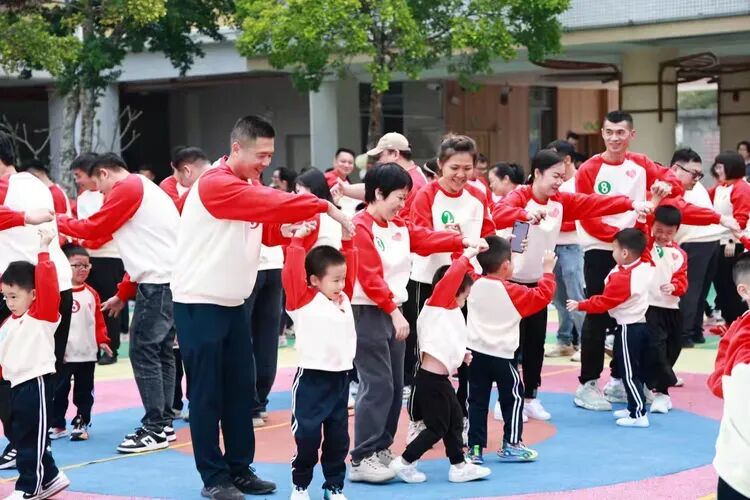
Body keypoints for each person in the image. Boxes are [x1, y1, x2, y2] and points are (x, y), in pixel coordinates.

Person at [171, 115, 352, 500]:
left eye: (271, 155)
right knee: (206, 394)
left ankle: (240, 468)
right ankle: (214, 477)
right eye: (261, 155)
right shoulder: (215, 182)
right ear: (237, 148)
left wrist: (285, 231)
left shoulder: (247, 184)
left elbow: (262, 225)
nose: (266, 163)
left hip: (234, 301)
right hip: (199, 302)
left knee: (241, 391)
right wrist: (322, 205)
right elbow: (270, 203)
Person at [492, 149, 651, 420]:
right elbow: (498, 214)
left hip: (539, 283)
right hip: (512, 283)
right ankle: (506, 400)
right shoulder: (519, 196)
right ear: (537, 173)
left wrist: (630, 203)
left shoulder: (560, 201)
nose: (559, 182)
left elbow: (594, 203)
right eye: (555, 176)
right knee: (511, 345)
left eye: (562, 177)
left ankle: (530, 397)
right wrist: (524, 214)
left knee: (535, 345)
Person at [348, 163, 481, 483]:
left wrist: (461, 242)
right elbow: (369, 275)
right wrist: (393, 311)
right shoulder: (360, 226)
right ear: (378, 193)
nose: (402, 203)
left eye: (406, 197)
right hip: (368, 310)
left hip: (393, 309)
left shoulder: (397, 226)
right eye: (399, 197)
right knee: (377, 384)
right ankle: (362, 457)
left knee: (396, 386)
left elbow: (423, 239)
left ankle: (380, 447)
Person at [56, 153, 180, 454]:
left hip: (158, 283)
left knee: (144, 350)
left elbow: (95, 228)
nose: (101, 195)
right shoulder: (143, 188)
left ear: (104, 173)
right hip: (167, 280)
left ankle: (155, 427)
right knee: (161, 351)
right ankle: (163, 422)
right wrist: (124, 292)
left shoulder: (128, 188)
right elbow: (143, 247)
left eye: (99, 187)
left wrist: (57, 220)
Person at [573, 110, 683, 412]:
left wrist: (665, 186)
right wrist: (618, 241)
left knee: (632, 314)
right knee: (598, 313)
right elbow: (586, 212)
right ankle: (588, 384)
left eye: (620, 132)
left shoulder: (641, 163)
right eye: (609, 132)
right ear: (602, 133)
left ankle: (620, 380)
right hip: (601, 249)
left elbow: (674, 181)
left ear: (631, 135)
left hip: (635, 253)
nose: (614, 138)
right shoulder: (589, 169)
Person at [406, 135, 496, 422]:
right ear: (440, 165)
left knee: (465, 351)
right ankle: (419, 418)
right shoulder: (426, 195)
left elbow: (488, 235)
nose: (460, 174)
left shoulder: (478, 195)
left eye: (467, 168)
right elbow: (418, 240)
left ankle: (462, 416)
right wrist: (454, 239)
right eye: (454, 168)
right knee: (425, 352)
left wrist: (499, 255)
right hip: (428, 284)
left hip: (464, 288)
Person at [0, 132, 74, 471]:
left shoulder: (14, 186)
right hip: (49, 285)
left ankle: (29, 451)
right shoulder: (34, 183)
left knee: (18, 376)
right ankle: (37, 455)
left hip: (30, 293)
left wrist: (21, 218)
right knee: (39, 374)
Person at [390, 249, 491, 484]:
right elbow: (453, 277)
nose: (465, 300)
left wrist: (461, 355)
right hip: (431, 381)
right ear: (453, 290)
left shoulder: (447, 312)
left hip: (438, 379)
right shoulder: (438, 304)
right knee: (438, 427)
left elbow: (445, 340)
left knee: (455, 420)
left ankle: (458, 465)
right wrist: (468, 254)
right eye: (465, 295)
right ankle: (404, 462)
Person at [466, 236, 556, 464]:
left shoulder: (473, 282)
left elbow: (463, 263)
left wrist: (473, 248)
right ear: (506, 265)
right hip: (503, 356)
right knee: (513, 398)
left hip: (475, 354)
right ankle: (512, 443)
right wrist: (547, 272)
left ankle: (474, 449)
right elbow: (544, 295)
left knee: (476, 402)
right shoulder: (515, 291)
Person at [284, 222, 357, 500]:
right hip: (312, 381)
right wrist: (296, 243)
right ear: (314, 280)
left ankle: (333, 486)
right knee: (307, 437)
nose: (341, 285)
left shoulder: (344, 298)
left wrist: (348, 243)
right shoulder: (302, 302)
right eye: (335, 280)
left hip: (340, 379)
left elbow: (350, 272)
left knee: (338, 439)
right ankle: (300, 485)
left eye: (343, 279)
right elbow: (292, 274)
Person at [0, 228, 70, 499]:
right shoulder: (9, 323)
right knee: (20, 436)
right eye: (5, 297)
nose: (9, 303)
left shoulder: (42, 316)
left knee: (31, 439)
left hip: (35, 382)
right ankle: (50, 475)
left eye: (14, 296)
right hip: (13, 385)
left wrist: (43, 249)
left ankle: (29, 488)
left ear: (33, 294)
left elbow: (48, 284)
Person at [567, 228, 653, 427]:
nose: (612, 253)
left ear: (625, 253)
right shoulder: (644, 265)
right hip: (635, 325)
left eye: (614, 249)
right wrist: (641, 222)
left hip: (629, 327)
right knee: (631, 369)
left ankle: (638, 414)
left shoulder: (623, 278)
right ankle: (633, 406)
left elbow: (605, 302)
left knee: (629, 373)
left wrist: (581, 305)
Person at [49, 244, 111, 441]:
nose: (82, 269)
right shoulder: (58, 294)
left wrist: (103, 340)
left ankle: (81, 422)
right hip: (64, 355)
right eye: (77, 265)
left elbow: (98, 321)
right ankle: (57, 424)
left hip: (86, 354)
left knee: (84, 392)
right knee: (58, 391)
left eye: (86, 266)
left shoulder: (92, 294)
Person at [70, 153, 126, 365]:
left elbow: (110, 225)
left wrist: (90, 241)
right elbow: (84, 225)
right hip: (89, 256)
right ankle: (91, 346)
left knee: (109, 304)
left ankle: (111, 349)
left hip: (109, 256)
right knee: (89, 304)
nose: (77, 181)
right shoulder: (83, 197)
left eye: (79, 175)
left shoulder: (111, 193)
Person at [670, 149, 728, 348]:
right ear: (675, 168)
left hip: (698, 241)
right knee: (699, 290)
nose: (696, 178)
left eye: (699, 174)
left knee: (692, 290)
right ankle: (694, 331)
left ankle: (685, 334)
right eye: (693, 173)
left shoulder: (688, 186)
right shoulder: (679, 186)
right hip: (710, 240)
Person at [707, 252, 750, 499]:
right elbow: (722, 383)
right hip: (739, 470)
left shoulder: (739, 334)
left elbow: (719, 383)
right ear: (744, 291)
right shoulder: (741, 336)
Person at [643, 206, 687, 414]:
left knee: (673, 348)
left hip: (672, 309)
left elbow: (682, 280)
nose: (663, 236)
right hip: (650, 307)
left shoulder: (680, 254)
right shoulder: (646, 246)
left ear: (676, 231)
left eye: (669, 232)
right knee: (656, 347)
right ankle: (662, 392)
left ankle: (655, 385)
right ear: (652, 226)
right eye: (659, 230)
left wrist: (675, 286)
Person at [544, 140, 585, 360]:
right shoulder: (551, 182)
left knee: (576, 294)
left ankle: (586, 343)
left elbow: (581, 216)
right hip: (552, 245)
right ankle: (564, 340)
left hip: (573, 245)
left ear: (567, 159)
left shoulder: (579, 182)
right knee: (559, 298)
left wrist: (556, 222)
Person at [338, 132, 427, 220]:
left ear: (395, 154)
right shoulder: (407, 177)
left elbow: (401, 223)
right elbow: (373, 190)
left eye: (380, 156)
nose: (379, 161)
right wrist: (344, 189)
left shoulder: (410, 183)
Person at [709, 151, 750, 326]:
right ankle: (729, 322)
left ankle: (737, 323)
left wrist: (733, 241)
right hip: (719, 241)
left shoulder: (741, 188)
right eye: (716, 166)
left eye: (721, 167)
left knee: (731, 286)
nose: (717, 170)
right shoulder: (720, 188)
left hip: (734, 243)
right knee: (721, 285)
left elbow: (741, 220)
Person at [296, 168, 343, 249]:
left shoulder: (312, 217)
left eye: (298, 191)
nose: (296, 196)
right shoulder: (337, 214)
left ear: (313, 189)